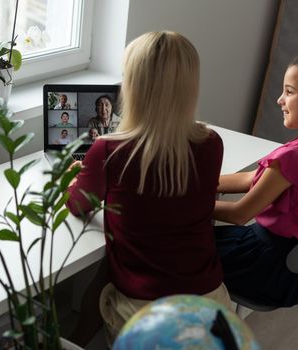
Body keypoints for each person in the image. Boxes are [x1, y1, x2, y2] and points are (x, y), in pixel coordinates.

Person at [66, 31, 231, 346]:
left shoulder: (109, 150)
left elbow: (78, 205)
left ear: (133, 87)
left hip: (144, 306)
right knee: (103, 276)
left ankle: (77, 338)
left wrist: (75, 178)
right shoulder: (211, 143)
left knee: (104, 281)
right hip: (209, 300)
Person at [213, 55, 298, 307]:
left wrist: (180, 202)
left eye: (289, 92)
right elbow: (254, 179)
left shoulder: (294, 156)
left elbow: (239, 213)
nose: (280, 100)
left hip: (269, 268)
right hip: (296, 261)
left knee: (176, 250)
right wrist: (201, 183)